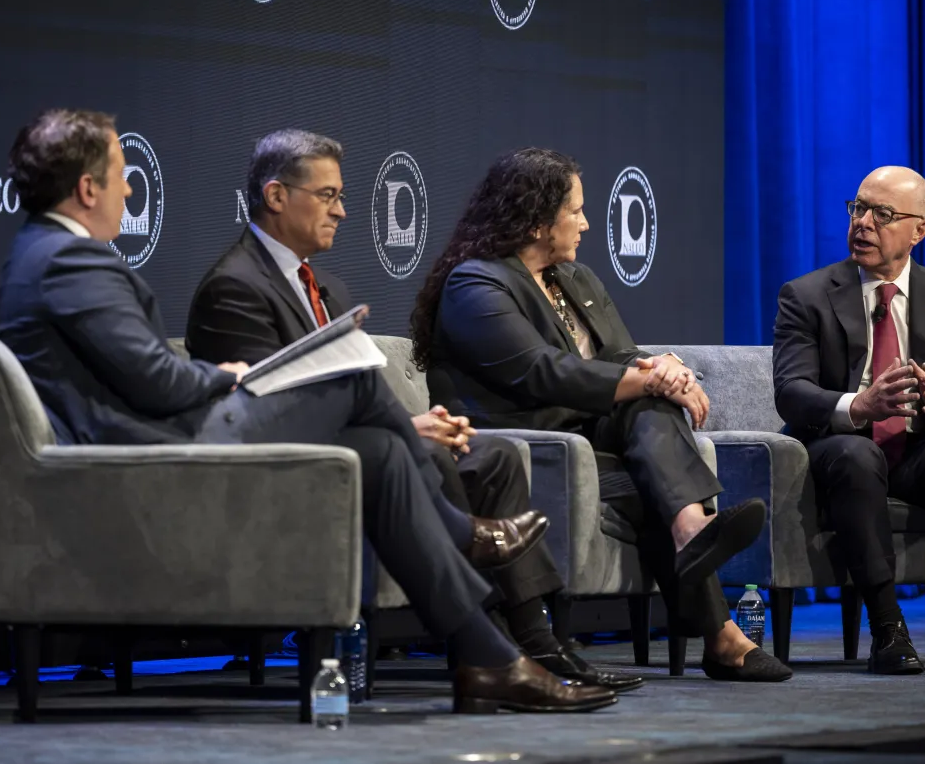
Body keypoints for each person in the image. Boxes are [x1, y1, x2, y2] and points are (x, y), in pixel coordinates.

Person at [0, 109, 618, 713]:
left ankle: (489, 660)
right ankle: (463, 537)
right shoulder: (69, 260)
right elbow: (155, 381)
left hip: (162, 442)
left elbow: (135, 373)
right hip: (161, 457)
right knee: (350, 381)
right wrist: (224, 375)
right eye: (123, 171)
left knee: (379, 450)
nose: (131, 187)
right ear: (87, 187)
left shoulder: (43, 255)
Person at [186, 129, 641, 692]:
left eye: (341, 195)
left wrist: (411, 425)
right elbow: (269, 408)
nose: (343, 211)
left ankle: (537, 644)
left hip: (352, 445)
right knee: (424, 454)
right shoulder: (233, 287)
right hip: (291, 466)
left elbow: (333, 387)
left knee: (494, 456)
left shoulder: (322, 283)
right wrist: (405, 427)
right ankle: (488, 648)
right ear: (277, 196)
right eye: (327, 196)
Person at [409, 147, 793, 683]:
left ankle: (693, 541)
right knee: (653, 468)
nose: (587, 223)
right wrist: (649, 377)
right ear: (538, 219)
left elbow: (619, 355)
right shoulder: (477, 284)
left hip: (590, 436)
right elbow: (540, 371)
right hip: (530, 444)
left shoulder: (576, 279)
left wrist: (662, 367)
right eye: (576, 211)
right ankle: (720, 630)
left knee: (652, 409)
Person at [772, 165, 925, 675]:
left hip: (917, 453)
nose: (863, 223)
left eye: (882, 214)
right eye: (858, 208)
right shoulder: (807, 296)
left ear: (919, 230)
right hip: (840, 452)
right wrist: (857, 407)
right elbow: (791, 393)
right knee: (857, 453)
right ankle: (888, 628)